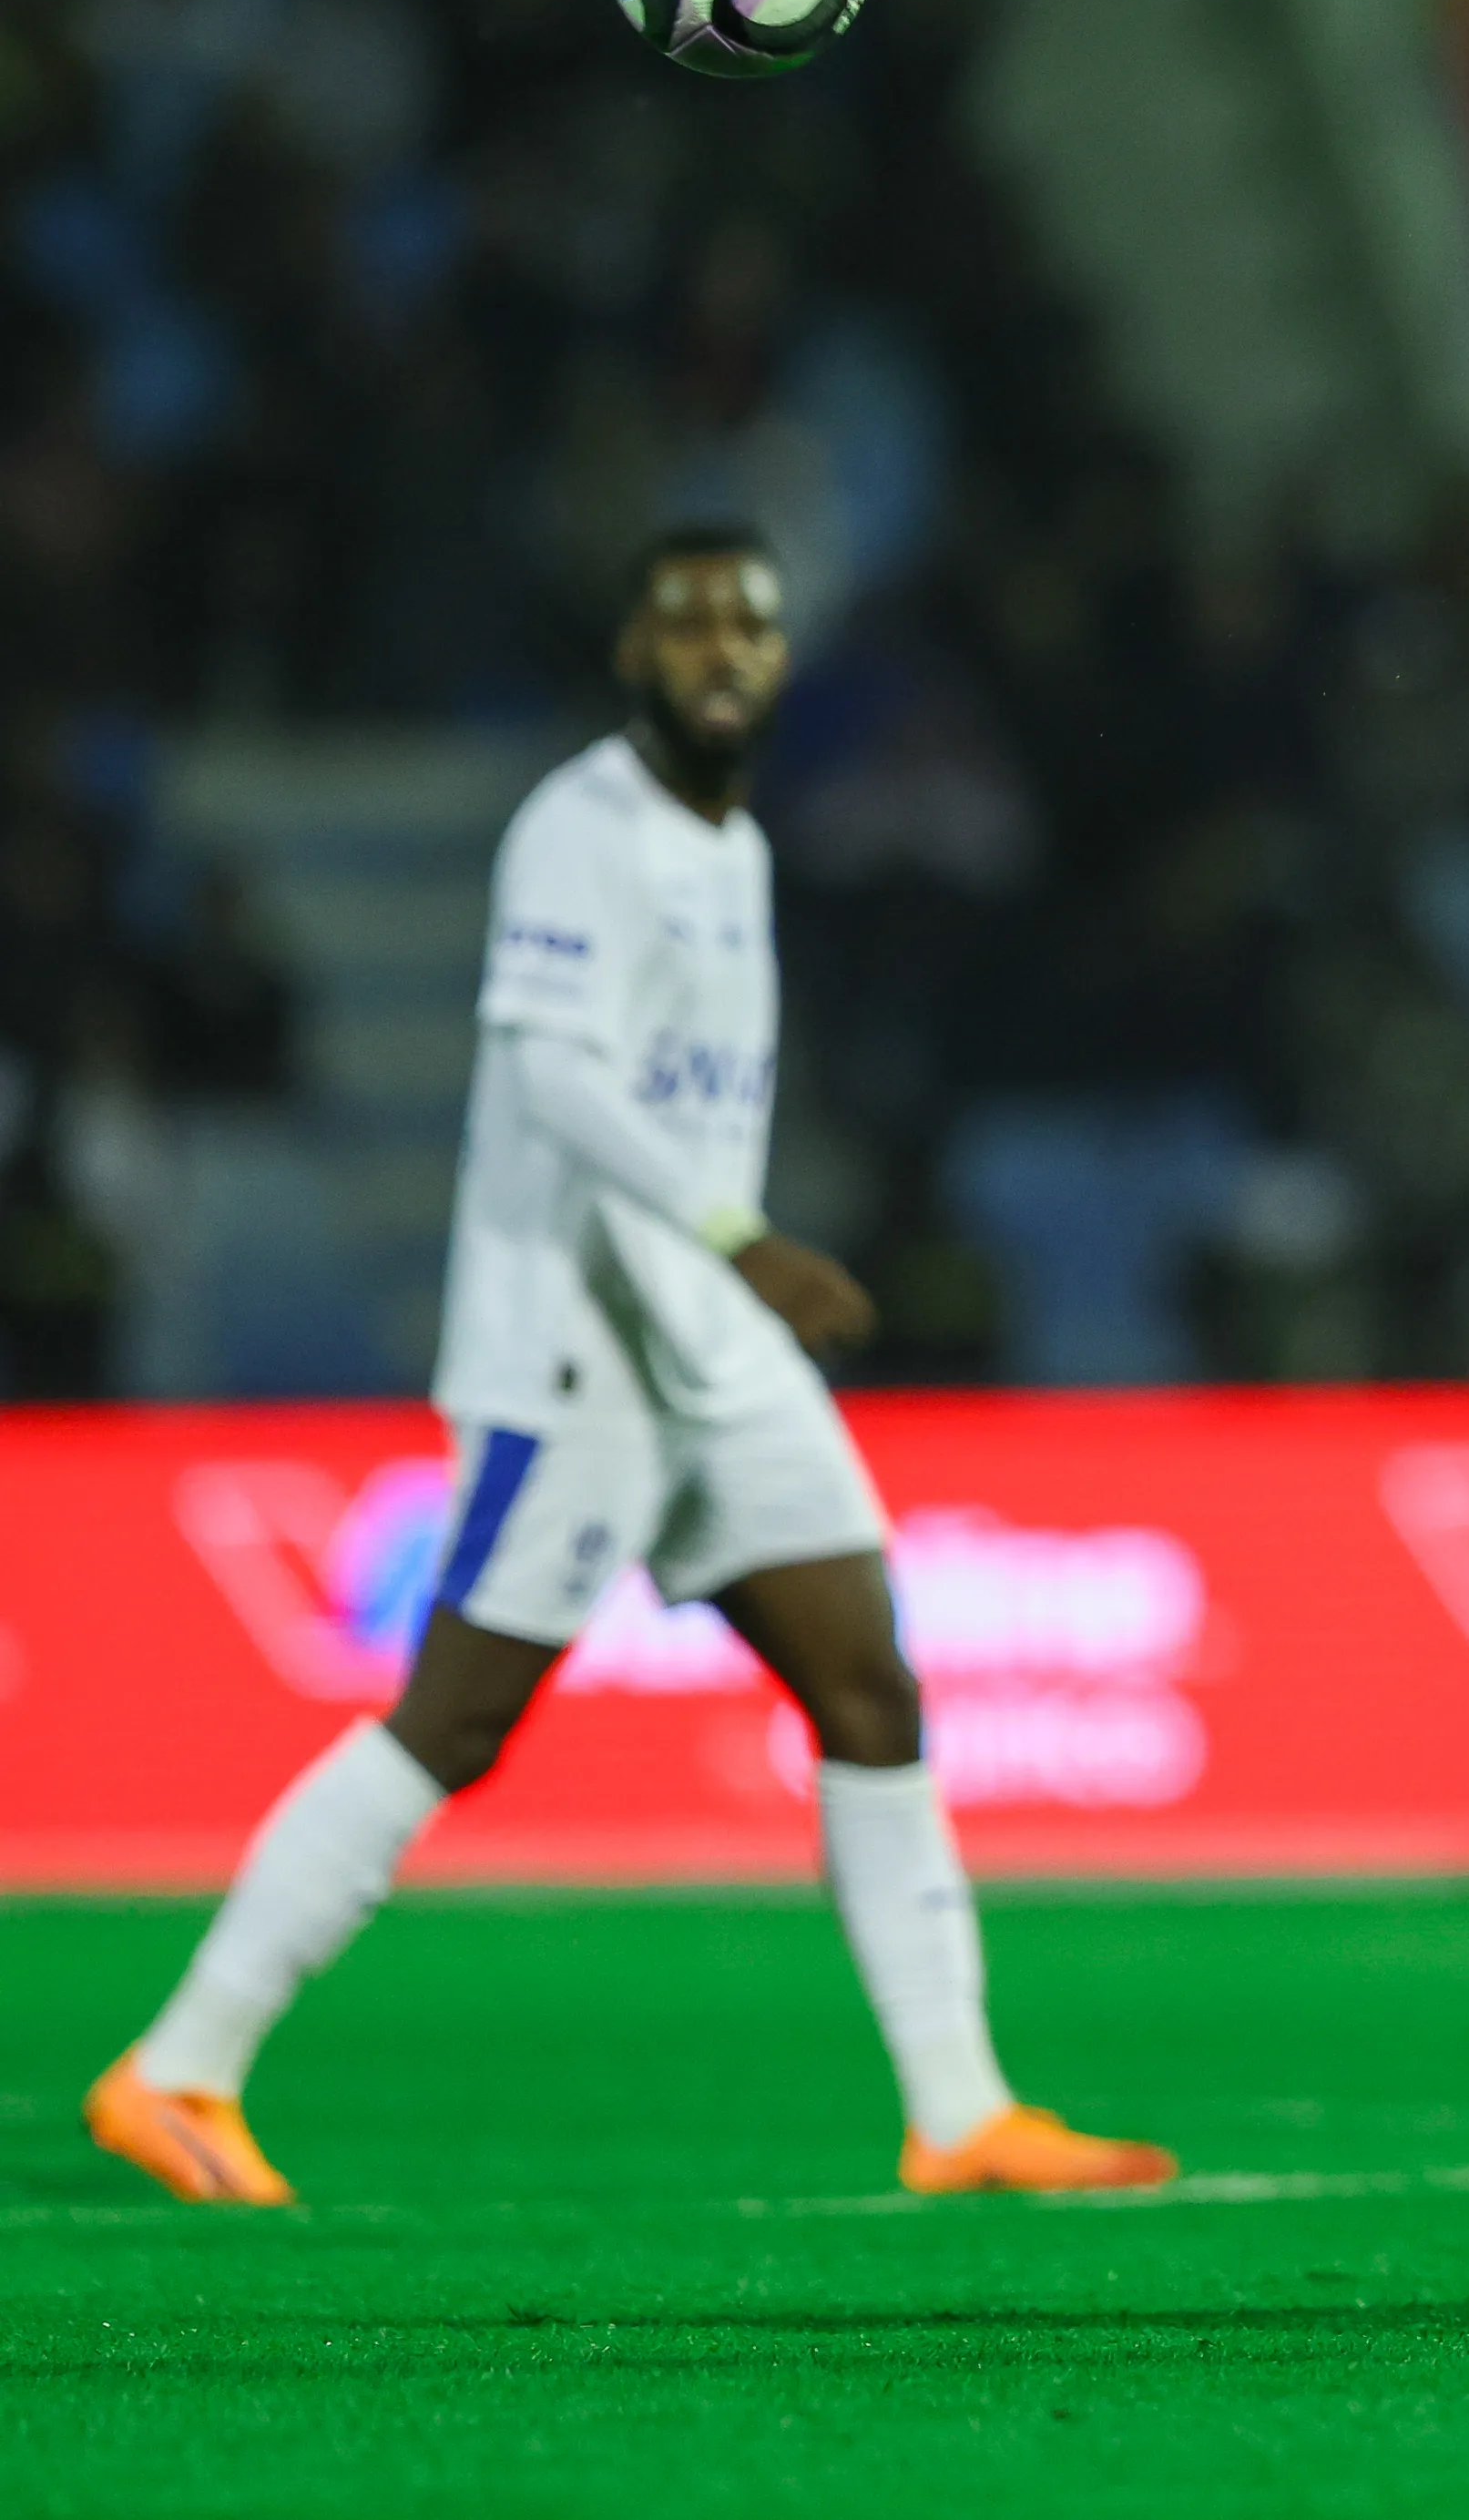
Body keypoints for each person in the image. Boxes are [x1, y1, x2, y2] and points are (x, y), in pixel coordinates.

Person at [88, 528, 1171, 2206]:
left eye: (752, 621)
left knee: (869, 1683)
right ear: (632, 653)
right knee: (457, 1718)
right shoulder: (578, 829)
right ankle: (179, 2068)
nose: (724, 647)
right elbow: (556, 1079)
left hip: (711, 1347)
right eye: (689, 621)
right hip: (577, 1346)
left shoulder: (730, 838)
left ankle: (959, 2109)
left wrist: (726, 1273)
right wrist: (741, 1236)